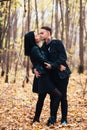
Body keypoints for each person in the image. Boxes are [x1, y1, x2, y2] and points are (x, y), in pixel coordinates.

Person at [24, 31, 62, 125]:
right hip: (43, 76)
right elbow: (43, 61)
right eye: (36, 35)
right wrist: (57, 65)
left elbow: (36, 62)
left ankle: (36, 119)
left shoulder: (36, 48)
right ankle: (51, 119)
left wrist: (34, 69)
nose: (38, 36)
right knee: (57, 95)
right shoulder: (35, 49)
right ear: (32, 39)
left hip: (42, 75)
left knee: (41, 98)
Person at [36, 26, 71, 125]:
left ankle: (64, 119)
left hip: (62, 75)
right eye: (39, 33)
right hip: (52, 75)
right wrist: (35, 69)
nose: (40, 35)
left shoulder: (57, 43)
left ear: (48, 33)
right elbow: (42, 60)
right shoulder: (44, 46)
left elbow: (63, 57)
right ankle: (53, 119)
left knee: (63, 97)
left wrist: (53, 65)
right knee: (54, 97)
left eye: (42, 33)